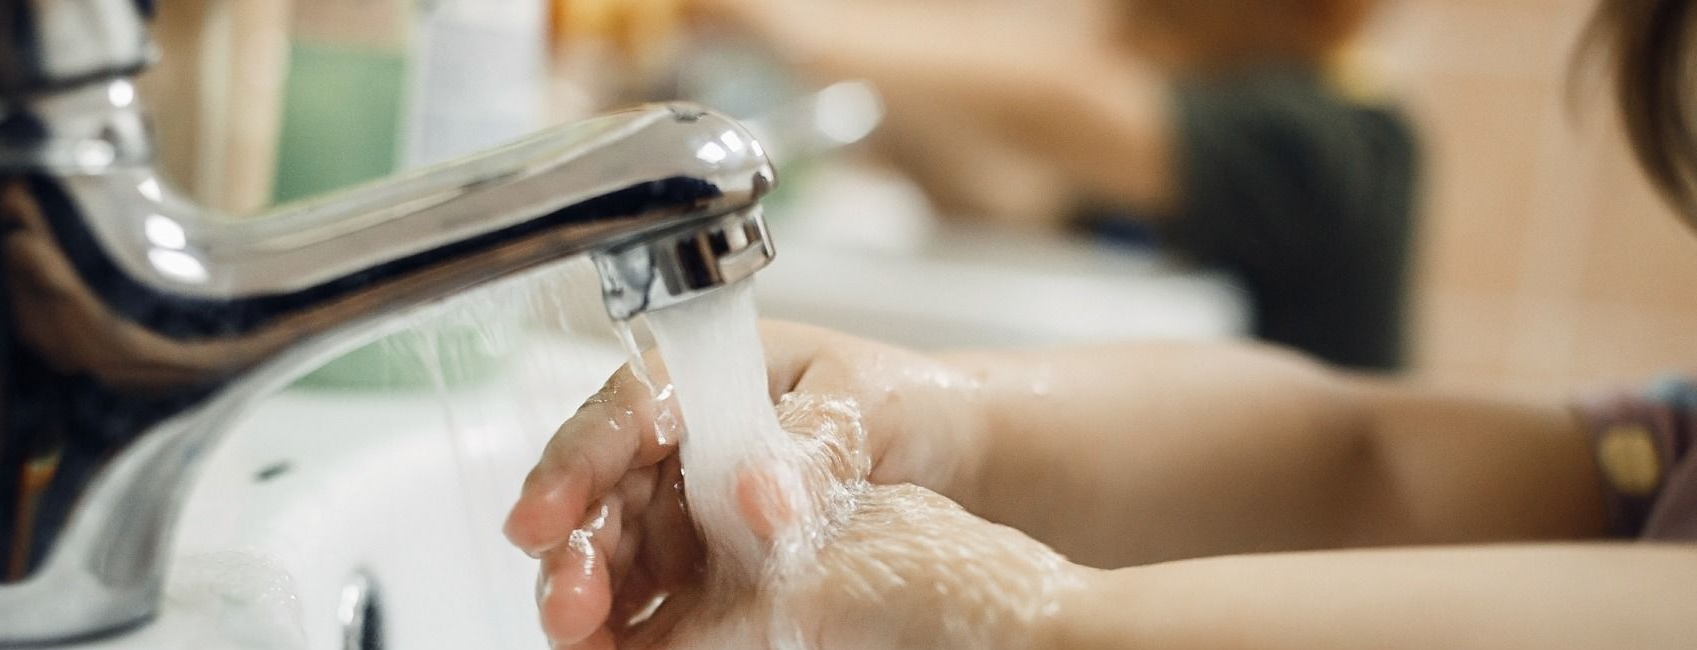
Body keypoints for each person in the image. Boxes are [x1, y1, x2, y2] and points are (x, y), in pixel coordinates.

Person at [506, 3, 1697, 650]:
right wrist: (932, 414)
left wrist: (1026, 645)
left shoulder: (1338, 138)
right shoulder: (1663, 458)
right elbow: (1360, 463)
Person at [553, 0, 1418, 369]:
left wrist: (776, 21)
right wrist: (881, 115)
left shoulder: (1346, 142)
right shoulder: (1207, 163)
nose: (1123, 20)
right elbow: (1009, 200)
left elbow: (1072, 110)